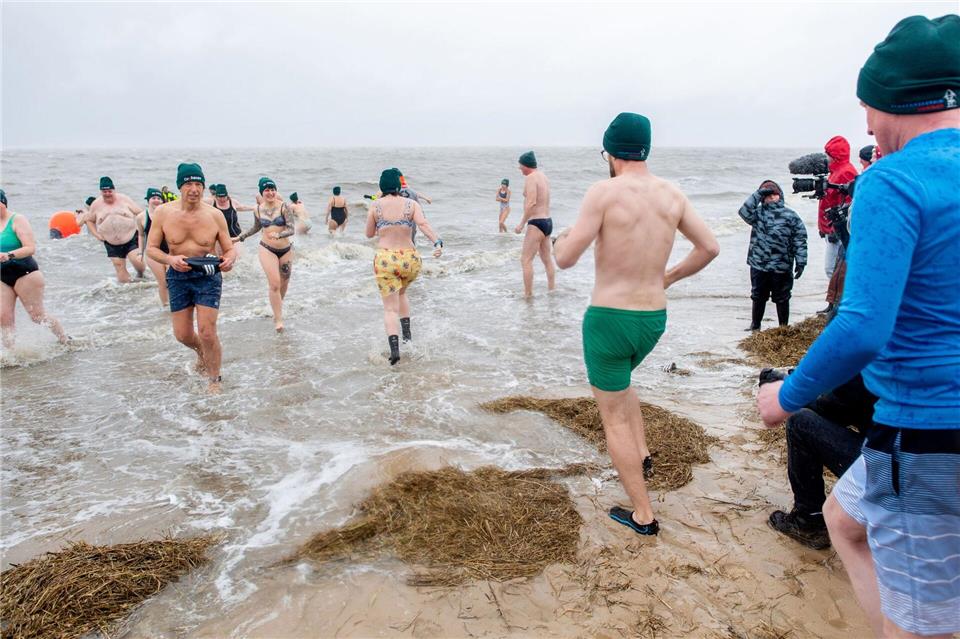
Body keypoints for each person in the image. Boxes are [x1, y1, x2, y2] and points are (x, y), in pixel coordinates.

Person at [758, 15, 960, 638]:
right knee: (845, 519)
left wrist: (784, 399)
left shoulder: (892, 180)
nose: (867, 125)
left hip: (926, 431)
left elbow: (864, 326)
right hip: (919, 434)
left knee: (924, 621)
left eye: (867, 109)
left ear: (892, 101)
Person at [553, 112, 719, 536]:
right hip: (653, 319)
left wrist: (559, 239)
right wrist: (669, 277)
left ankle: (643, 514)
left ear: (609, 151)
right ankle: (642, 453)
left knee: (614, 419)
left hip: (609, 318)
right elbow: (709, 247)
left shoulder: (603, 192)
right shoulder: (672, 194)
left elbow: (566, 258)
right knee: (624, 384)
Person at [146, 163, 236, 393]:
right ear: (180, 187)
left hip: (207, 275)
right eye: (189, 184)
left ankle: (214, 380)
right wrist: (170, 260)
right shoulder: (164, 213)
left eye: (198, 184)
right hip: (178, 275)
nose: (194, 189)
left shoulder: (215, 215)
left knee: (207, 332)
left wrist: (228, 260)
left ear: (204, 187)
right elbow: (152, 249)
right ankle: (201, 351)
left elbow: (229, 248)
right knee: (183, 335)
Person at [767, 374, 877, 549]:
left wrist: (786, 390)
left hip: (895, 472)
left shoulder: (875, 357)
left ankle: (808, 521)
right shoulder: (922, 354)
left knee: (800, 422)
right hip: (930, 471)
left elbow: (831, 407)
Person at [364, 168, 442, 365]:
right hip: (410, 259)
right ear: (399, 185)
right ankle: (408, 337)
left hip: (386, 260)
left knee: (390, 309)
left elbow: (369, 234)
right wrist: (437, 242)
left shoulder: (375, 206)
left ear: (382, 186)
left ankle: (395, 352)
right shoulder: (412, 204)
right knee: (402, 294)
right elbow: (423, 225)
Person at [0, 189, 69, 348]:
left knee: (37, 316)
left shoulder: (17, 220)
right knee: (3, 317)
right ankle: (11, 355)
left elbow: (30, 248)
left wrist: (9, 255)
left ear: (3, 203)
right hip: (2, 277)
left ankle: (65, 340)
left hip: (25, 273)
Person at [738, 180, 807, 330]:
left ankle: (783, 327)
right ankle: (755, 325)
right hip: (759, 263)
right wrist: (758, 194)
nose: (771, 197)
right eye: (767, 195)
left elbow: (800, 239)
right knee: (758, 296)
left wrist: (801, 261)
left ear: (780, 196)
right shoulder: (757, 214)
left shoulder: (790, 216)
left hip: (781, 265)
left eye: (774, 194)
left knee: (782, 297)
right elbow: (743, 212)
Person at [236, 177, 296, 332]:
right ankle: (278, 320)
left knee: (284, 282)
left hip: (285, 249)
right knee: (274, 283)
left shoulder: (284, 206)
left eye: (272, 189)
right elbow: (256, 228)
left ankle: (277, 307)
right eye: (267, 190)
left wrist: (280, 235)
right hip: (266, 248)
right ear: (262, 192)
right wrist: (239, 238)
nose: (270, 193)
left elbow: (291, 229)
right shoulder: (257, 209)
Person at [816, 136, 858, 314]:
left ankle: (839, 304)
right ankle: (833, 302)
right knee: (833, 269)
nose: (827, 158)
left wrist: (835, 228)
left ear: (836, 155)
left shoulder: (846, 172)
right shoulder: (835, 172)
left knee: (833, 268)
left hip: (838, 228)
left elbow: (848, 202)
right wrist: (822, 227)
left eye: (829, 154)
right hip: (830, 225)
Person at [86, 177, 146, 283]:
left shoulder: (124, 199)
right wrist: (97, 235)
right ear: (101, 192)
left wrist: (143, 229)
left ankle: (141, 275)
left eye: (110, 191)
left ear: (114, 190)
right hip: (111, 242)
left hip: (131, 236)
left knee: (137, 261)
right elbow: (89, 220)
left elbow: (141, 213)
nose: (108, 194)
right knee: (119, 267)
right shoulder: (96, 204)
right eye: (105, 192)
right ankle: (127, 292)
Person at [514, 151, 556, 297]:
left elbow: (531, 203)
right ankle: (552, 290)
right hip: (547, 221)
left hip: (536, 222)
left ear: (526, 165)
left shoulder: (531, 178)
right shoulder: (543, 177)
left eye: (520, 165)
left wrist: (521, 224)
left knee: (525, 260)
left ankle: (528, 295)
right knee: (547, 259)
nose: (519, 168)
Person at [136, 188, 170, 306]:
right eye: (153, 198)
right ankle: (166, 306)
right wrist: (140, 252)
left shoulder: (168, 214)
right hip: (152, 253)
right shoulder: (141, 217)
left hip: (169, 252)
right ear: (148, 200)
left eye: (159, 198)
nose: (156, 200)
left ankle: (176, 303)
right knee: (163, 282)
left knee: (172, 280)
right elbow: (141, 235)